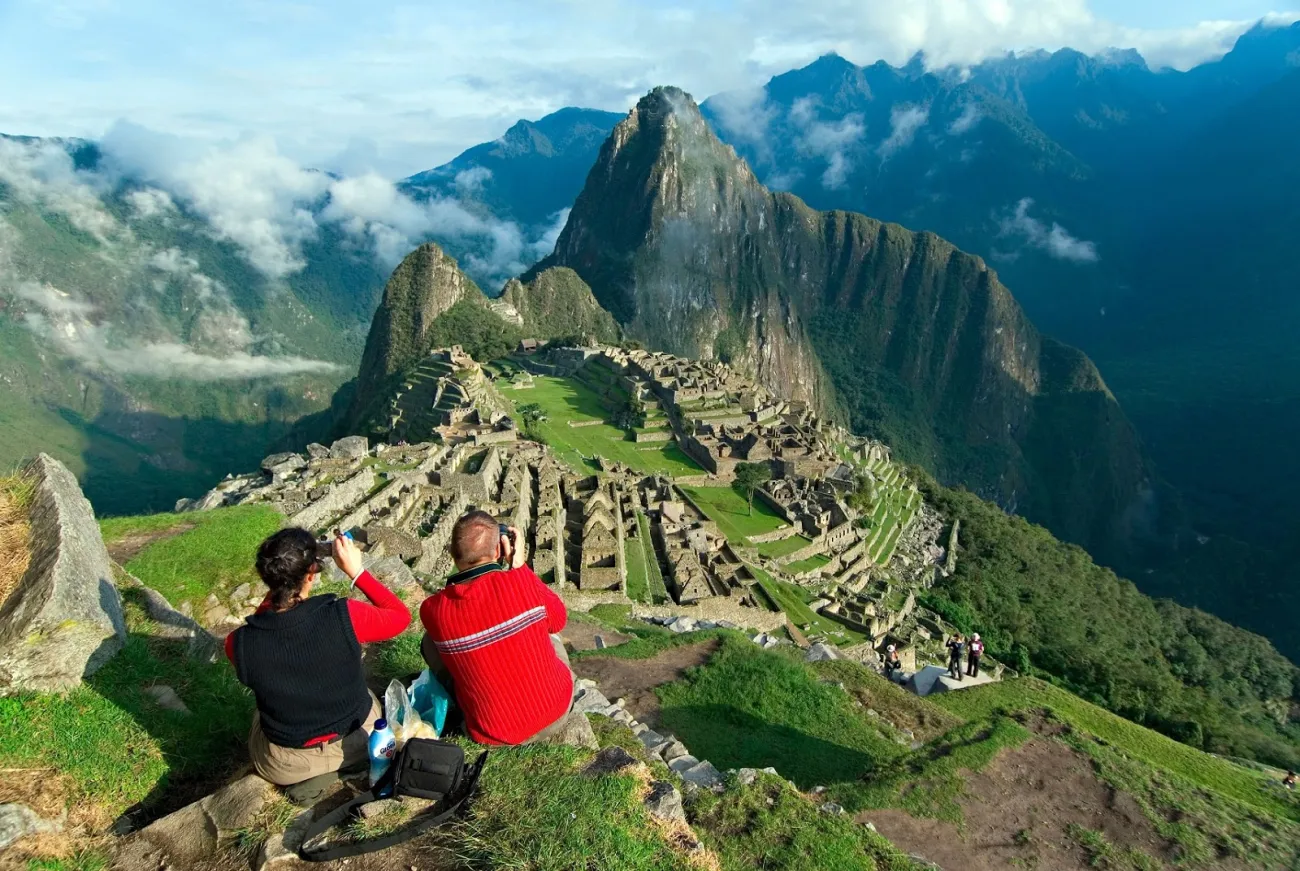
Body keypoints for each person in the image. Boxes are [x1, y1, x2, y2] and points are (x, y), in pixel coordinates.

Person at [226, 528, 411, 805]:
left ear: (266, 575)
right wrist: (357, 572)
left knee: (259, 711)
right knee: (366, 694)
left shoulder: (238, 644)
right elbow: (400, 616)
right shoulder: (344, 615)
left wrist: (279, 589)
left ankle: (314, 776)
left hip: (285, 764)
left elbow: (268, 621)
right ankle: (346, 768)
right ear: (312, 572)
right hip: (360, 740)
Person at [418, 510, 574, 746]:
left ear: (452, 554)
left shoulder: (433, 609)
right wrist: (520, 568)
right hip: (556, 711)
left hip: (492, 734)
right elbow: (558, 620)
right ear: (499, 550)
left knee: (430, 643)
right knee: (552, 635)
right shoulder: (519, 582)